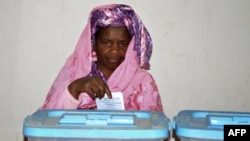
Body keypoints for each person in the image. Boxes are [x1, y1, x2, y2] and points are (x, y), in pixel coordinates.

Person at [39, 4, 163, 111]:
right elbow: (47, 120)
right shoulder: (74, 72)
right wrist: (75, 88)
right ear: (93, 43)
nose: (115, 50)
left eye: (123, 43)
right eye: (106, 42)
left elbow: (154, 129)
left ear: (131, 46)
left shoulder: (142, 82)